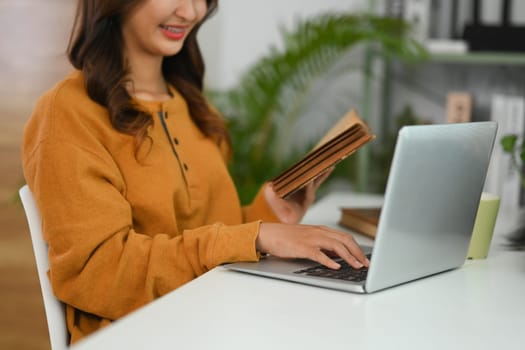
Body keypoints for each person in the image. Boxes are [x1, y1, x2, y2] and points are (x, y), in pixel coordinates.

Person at [22, 0, 369, 344]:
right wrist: (257, 237)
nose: (191, 12)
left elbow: (206, 237)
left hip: (217, 317)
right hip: (139, 336)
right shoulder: (68, 113)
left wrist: (268, 214)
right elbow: (98, 272)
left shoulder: (192, 106)